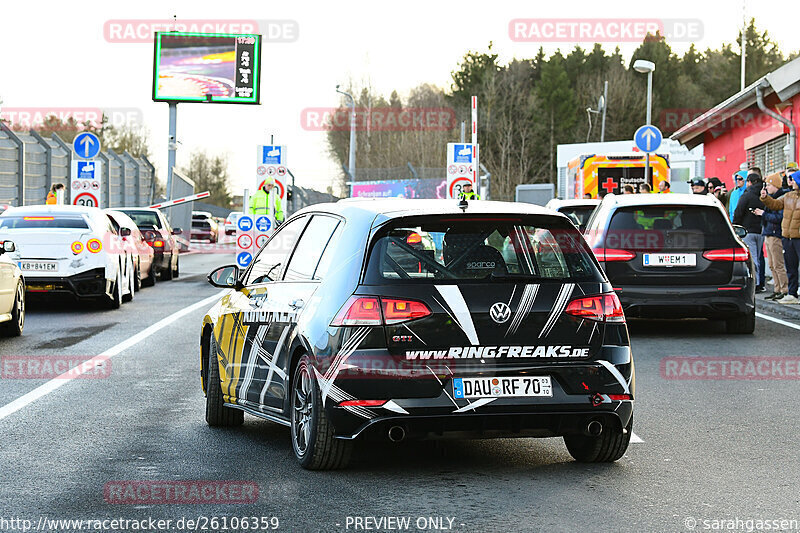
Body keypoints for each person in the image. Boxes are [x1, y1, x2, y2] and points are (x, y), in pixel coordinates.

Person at [761, 170, 800, 305]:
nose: (791, 182)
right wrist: (765, 198)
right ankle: (792, 293)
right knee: (791, 266)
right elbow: (775, 205)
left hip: (798, 237)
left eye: (793, 179)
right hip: (787, 237)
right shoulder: (788, 196)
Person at [733, 172, 766, 292]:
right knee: (759, 256)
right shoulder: (764, 195)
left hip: (747, 230)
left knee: (753, 258)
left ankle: (755, 284)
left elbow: (738, 212)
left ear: (749, 182)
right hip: (761, 230)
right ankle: (761, 282)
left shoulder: (746, 195)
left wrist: (736, 226)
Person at [761, 172, 789, 301]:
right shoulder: (772, 199)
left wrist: (763, 214)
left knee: (778, 264)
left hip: (775, 234)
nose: (766, 187)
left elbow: (779, 218)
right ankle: (777, 289)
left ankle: (784, 289)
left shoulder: (780, 199)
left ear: (775, 185)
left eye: (768, 185)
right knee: (772, 264)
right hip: (769, 233)